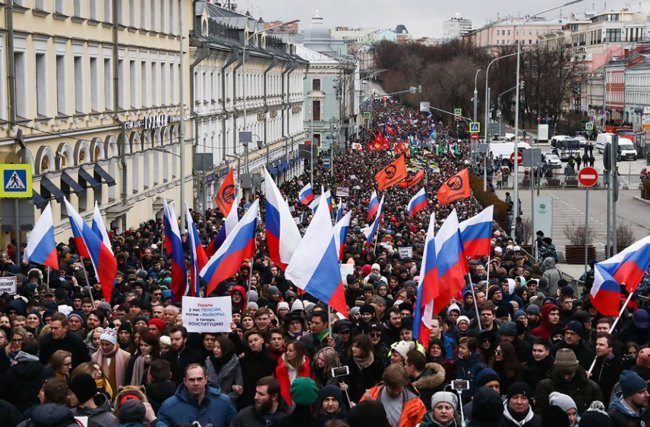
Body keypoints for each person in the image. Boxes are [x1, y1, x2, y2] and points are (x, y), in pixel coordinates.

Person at [156, 363, 236, 427]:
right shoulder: (169, 406)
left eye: (199, 379)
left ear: (206, 380)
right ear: (185, 381)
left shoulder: (224, 403)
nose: (196, 383)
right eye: (191, 380)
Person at [535, 348, 602, 413]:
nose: (566, 377)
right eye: (562, 373)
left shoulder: (591, 387)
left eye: (570, 374)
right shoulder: (545, 386)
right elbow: (540, 412)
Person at [361, 363, 427, 427]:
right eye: (393, 389)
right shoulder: (370, 396)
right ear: (385, 383)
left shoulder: (416, 405)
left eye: (399, 389)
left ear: (405, 384)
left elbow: (422, 424)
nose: (396, 392)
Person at [275, 340, 312, 407]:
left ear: (298, 353)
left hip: (301, 406)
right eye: (286, 350)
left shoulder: (306, 369)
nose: (287, 353)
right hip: (284, 406)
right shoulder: (280, 369)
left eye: (290, 350)